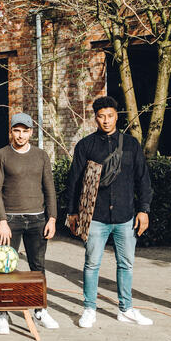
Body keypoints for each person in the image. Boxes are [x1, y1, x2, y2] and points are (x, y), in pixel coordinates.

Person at [64, 96, 154, 328]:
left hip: (125, 215)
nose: (106, 120)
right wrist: (72, 212)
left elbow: (143, 179)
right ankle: (89, 309)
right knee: (92, 264)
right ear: (95, 117)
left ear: (117, 116)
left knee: (126, 264)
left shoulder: (131, 144)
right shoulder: (85, 145)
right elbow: (74, 181)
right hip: (96, 216)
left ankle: (126, 309)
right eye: (101, 116)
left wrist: (143, 210)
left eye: (110, 116)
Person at [0, 112, 59, 335]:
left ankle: (40, 309)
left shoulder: (41, 156)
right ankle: (2, 313)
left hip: (38, 220)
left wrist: (52, 218)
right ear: (11, 131)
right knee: (4, 267)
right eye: (16, 130)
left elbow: (49, 188)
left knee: (38, 267)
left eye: (25, 131)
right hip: (11, 220)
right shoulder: (0, 156)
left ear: (31, 132)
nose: (20, 135)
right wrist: (2, 221)